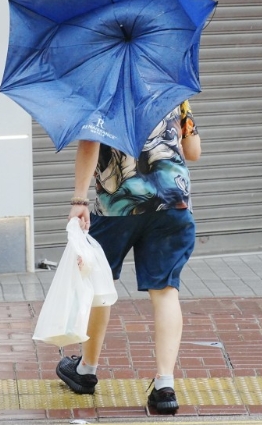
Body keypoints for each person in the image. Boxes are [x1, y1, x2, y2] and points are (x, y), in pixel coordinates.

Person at [55, 100, 201, 414]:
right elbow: (193, 151)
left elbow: (90, 144)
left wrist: (79, 200)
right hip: (172, 202)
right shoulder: (172, 89)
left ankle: (86, 370)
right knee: (165, 290)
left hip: (118, 205)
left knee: (99, 285)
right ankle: (165, 386)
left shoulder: (102, 89)